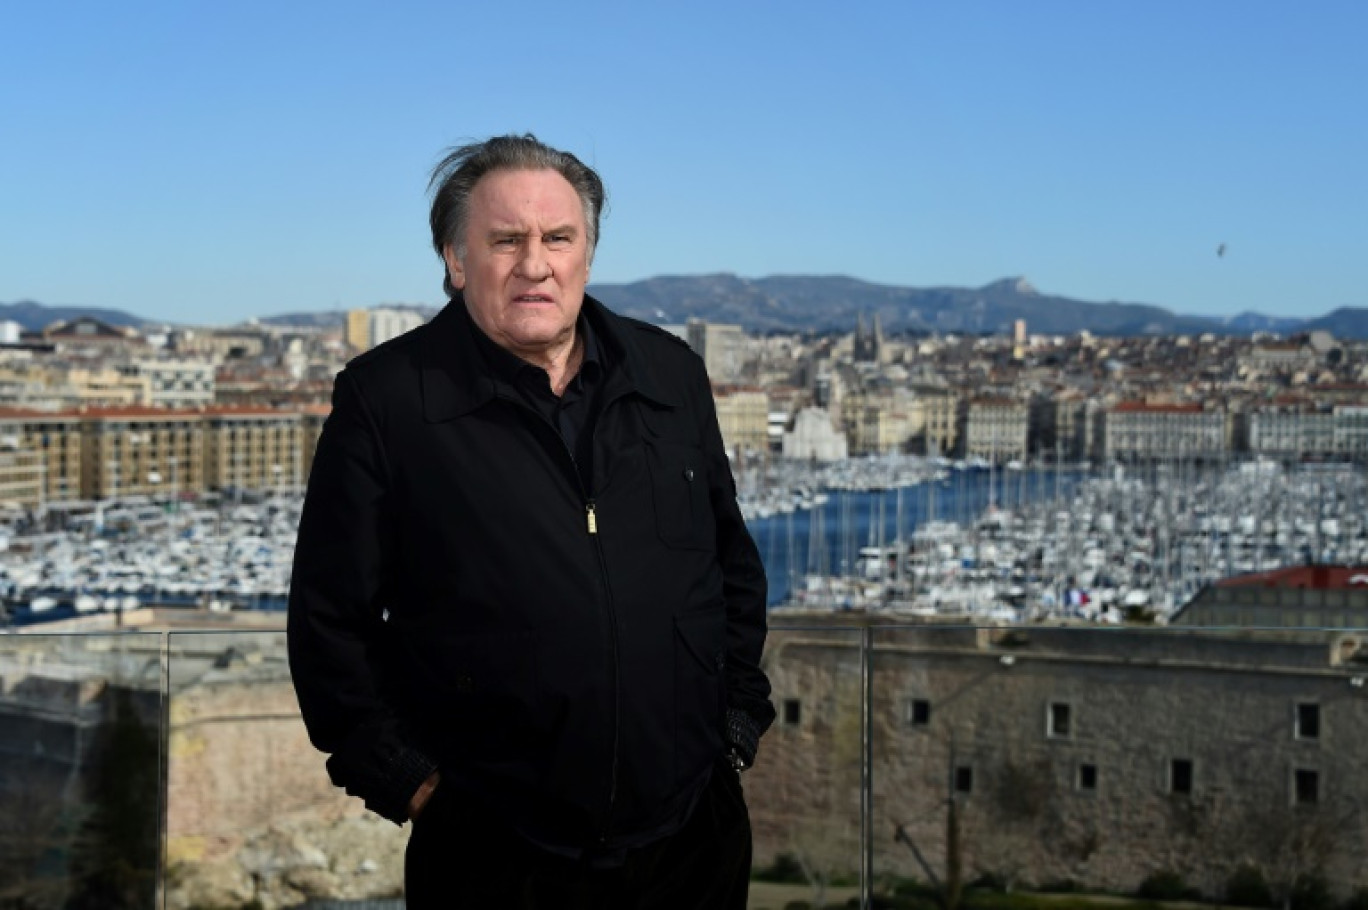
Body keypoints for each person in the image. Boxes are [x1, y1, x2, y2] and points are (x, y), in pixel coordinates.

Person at [288, 133, 775, 908]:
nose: (535, 263)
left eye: (558, 237)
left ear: (587, 251)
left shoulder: (670, 374)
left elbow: (730, 565)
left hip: (692, 840)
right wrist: (413, 787)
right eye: (505, 240)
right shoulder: (387, 401)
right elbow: (328, 627)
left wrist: (738, 723)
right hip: (496, 855)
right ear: (455, 259)